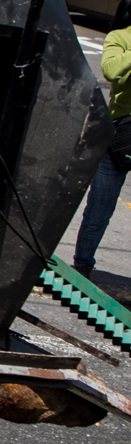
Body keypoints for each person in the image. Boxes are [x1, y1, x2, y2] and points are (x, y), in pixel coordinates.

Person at [70, 26, 131, 275]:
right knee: (99, 209)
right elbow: (111, 71)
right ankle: (83, 264)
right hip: (120, 136)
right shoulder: (120, 37)